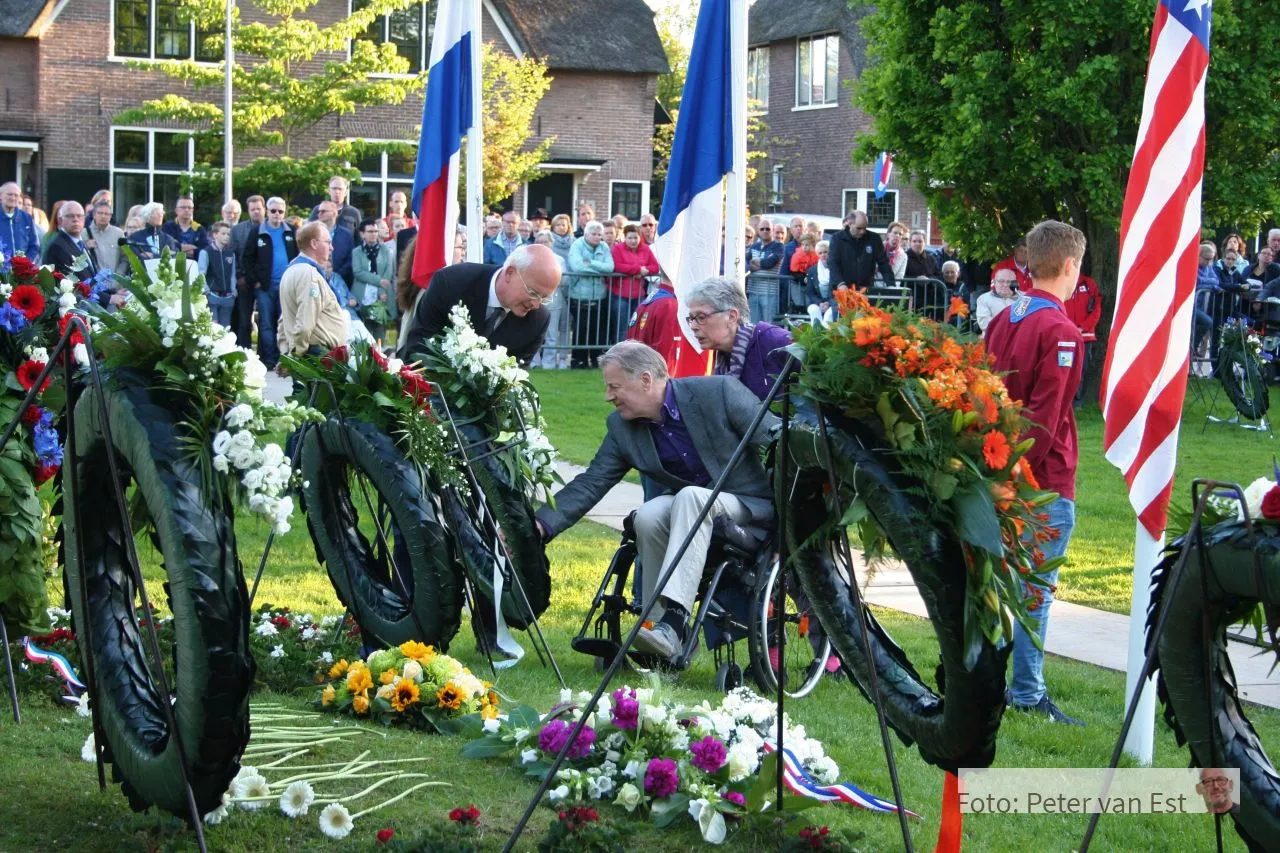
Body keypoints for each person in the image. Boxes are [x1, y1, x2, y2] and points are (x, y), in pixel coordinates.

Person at [535, 341, 778, 662]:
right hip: (691, 510)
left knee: (690, 497)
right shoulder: (623, 428)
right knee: (648, 514)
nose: (608, 396)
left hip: (748, 508)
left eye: (614, 386)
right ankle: (654, 628)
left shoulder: (718, 392)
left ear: (646, 380)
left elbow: (779, 436)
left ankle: (674, 623)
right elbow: (592, 482)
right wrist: (540, 524)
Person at [984, 219, 1087, 727]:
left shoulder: (1005, 318)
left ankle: (996, 681)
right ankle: (1026, 691)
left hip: (995, 467)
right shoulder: (1061, 329)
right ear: (1069, 266)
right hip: (1040, 479)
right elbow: (1046, 418)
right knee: (1034, 591)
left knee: (1005, 585)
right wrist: (1021, 472)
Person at [397, 242, 561, 366]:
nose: (536, 304)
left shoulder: (537, 320)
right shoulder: (451, 283)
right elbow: (418, 347)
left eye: (544, 298)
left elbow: (516, 377)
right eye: (533, 293)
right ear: (510, 273)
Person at [277, 222, 348, 363]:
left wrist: (287, 352)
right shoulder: (307, 273)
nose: (332, 248)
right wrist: (294, 356)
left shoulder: (293, 269)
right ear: (314, 244)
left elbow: (284, 320)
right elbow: (305, 322)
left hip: (310, 352)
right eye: (328, 242)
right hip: (315, 354)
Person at [243, 197, 299, 368]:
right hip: (265, 287)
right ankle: (269, 360)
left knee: (287, 323)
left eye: (280, 211)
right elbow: (247, 258)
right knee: (267, 325)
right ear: (267, 211)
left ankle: (286, 359)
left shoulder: (292, 231)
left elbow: (299, 255)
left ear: (284, 212)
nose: (276, 214)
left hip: (287, 286)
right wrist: (256, 281)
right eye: (273, 211)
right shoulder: (257, 231)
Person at [566, 221, 614, 368]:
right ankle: (578, 360)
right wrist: (599, 269)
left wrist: (590, 262)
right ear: (586, 234)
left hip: (599, 295)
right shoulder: (577, 245)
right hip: (579, 294)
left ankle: (594, 359)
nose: (597, 237)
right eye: (593, 234)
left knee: (596, 329)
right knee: (581, 328)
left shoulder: (604, 247)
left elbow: (610, 267)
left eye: (600, 234)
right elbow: (578, 267)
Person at [609, 223, 658, 343]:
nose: (633, 241)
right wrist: (638, 270)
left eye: (635, 237)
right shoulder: (618, 249)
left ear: (640, 237)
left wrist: (643, 271)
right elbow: (617, 266)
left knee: (638, 326)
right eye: (630, 238)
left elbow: (655, 267)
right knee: (622, 328)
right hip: (620, 294)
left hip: (638, 295)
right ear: (625, 237)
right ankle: (620, 355)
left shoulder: (645, 249)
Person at [626, 272, 680, 375]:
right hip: (655, 380)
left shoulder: (649, 300)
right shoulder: (669, 305)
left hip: (640, 375)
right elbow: (666, 353)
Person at [827, 210, 894, 291]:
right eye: (858, 228)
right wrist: (839, 283)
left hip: (865, 289)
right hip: (842, 289)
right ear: (850, 224)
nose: (862, 231)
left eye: (865, 228)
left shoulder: (874, 239)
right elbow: (833, 263)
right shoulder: (837, 239)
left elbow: (884, 263)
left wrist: (891, 284)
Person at [352, 217, 395, 340]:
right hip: (363, 293)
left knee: (382, 328)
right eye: (370, 231)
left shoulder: (386, 250)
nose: (374, 234)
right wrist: (378, 280)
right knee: (364, 330)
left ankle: (382, 355)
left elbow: (388, 273)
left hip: (382, 293)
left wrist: (381, 290)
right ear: (362, 234)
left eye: (375, 231)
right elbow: (358, 272)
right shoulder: (357, 252)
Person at [43, 201, 99, 278]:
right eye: (70, 216)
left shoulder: (80, 243)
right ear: (60, 220)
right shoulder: (57, 247)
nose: (75, 219)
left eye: (79, 216)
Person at [199, 221, 238, 329]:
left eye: (228, 234)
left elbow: (232, 274)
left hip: (228, 296)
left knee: (226, 329)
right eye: (223, 233)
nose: (226, 237)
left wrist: (233, 290)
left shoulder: (230, 253)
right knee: (213, 328)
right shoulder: (206, 252)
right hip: (212, 295)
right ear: (215, 234)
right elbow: (201, 273)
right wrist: (206, 291)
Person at [745, 221, 784, 323]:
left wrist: (756, 262)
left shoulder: (778, 246)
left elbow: (769, 263)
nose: (765, 231)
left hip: (769, 292)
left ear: (772, 230)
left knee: (768, 326)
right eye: (762, 229)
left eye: (768, 229)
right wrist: (752, 266)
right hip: (753, 291)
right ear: (758, 231)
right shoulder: (754, 246)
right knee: (753, 325)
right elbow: (746, 265)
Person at [315, 200, 355, 285]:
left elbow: (351, 258)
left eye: (323, 211)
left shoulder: (346, 234)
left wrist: (337, 275)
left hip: (341, 281)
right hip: (316, 279)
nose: (319, 214)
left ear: (334, 213)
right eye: (318, 211)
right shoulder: (313, 233)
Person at [0, 182, 41, 260]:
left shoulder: (27, 218)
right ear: (0, 196)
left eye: (16, 195)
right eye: (9, 194)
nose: (13, 198)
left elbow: (34, 246)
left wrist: (25, 263)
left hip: (22, 269)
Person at [84, 199, 125, 275]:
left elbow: (125, 259)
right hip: (93, 283)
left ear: (110, 216)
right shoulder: (84, 233)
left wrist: (119, 278)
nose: (103, 216)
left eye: (106, 214)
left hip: (115, 282)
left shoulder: (118, 233)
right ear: (94, 214)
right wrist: (84, 246)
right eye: (100, 213)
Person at [162, 196, 209, 261]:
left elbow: (205, 250)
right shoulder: (167, 227)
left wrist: (181, 250)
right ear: (176, 210)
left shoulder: (200, 229)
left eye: (189, 208)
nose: (187, 210)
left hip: (195, 266)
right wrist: (191, 247)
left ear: (193, 210)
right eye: (183, 207)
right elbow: (166, 247)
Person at [975, 270, 1019, 334]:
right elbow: (985, 324)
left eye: (1009, 281)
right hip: (994, 339)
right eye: (1001, 281)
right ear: (995, 282)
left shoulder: (1025, 298)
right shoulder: (983, 299)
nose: (1005, 284)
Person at [803, 239, 833, 326]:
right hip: (816, 302)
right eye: (820, 253)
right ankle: (816, 337)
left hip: (833, 303)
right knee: (813, 310)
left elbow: (838, 290)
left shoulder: (837, 269)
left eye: (825, 252)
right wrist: (819, 303)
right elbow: (810, 292)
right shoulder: (812, 270)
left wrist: (829, 303)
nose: (823, 255)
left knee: (829, 315)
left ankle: (826, 337)